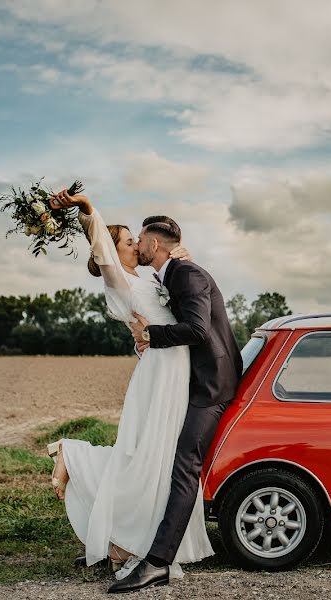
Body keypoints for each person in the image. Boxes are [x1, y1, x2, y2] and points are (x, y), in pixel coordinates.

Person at [44, 190, 215, 585]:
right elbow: (100, 244)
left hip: (174, 368)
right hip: (159, 373)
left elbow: (179, 291)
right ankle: (75, 458)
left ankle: (134, 541)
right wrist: (86, 208)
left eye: (137, 240)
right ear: (114, 251)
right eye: (128, 241)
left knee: (158, 459)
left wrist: (183, 257)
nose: (135, 244)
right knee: (145, 457)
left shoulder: (148, 277)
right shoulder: (118, 278)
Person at [108, 209, 243, 593]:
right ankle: (131, 540)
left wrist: (151, 334)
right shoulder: (171, 273)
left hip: (209, 387)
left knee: (184, 467)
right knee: (166, 459)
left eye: (140, 240)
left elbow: (198, 330)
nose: (137, 245)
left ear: (153, 244)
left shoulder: (186, 273)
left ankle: (158, 562)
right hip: (194, 381)